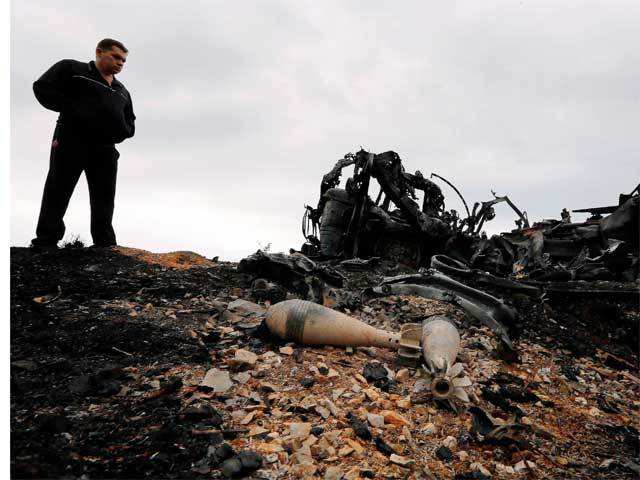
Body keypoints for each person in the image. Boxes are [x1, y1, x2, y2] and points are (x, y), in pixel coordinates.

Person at [30, 38, 135, 248]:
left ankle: (104, 244)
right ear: (99, 52)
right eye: (115, 57)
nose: (120, 63)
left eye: (123, 60)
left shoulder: (122, 91)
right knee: (58, 188)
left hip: (104, 149)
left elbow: (129, 122)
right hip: (71, 140)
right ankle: (46, 241)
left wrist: (118, 133)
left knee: (104, 196)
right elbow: (42, 87)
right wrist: (73, 109)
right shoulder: (72, 69)